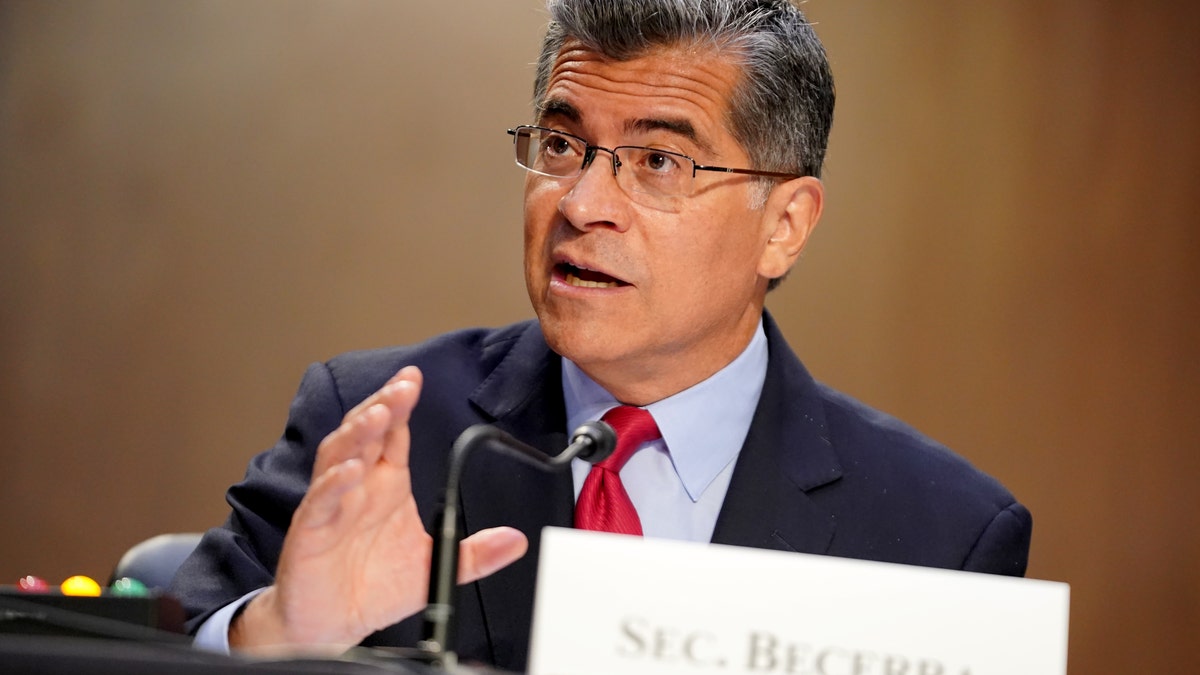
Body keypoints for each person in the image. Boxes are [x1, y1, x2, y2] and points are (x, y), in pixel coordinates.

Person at [171, 0, 1032, 670]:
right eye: (560, 143)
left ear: (787, 223)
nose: (581, 204)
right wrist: (281, 637)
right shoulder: (381, 427)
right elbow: (163, 637)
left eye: (659, 161)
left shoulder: (940, 538)